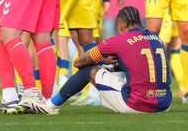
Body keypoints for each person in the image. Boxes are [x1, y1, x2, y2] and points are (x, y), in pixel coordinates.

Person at [31, 6, 172, 114]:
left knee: (87, 69)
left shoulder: (118, 41)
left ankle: (50, 105)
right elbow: (142, 66)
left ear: (120, 24)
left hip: (137, 105)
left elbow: (78, 62)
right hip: (165, 103)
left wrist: (102, 62)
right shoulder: (155, 38)